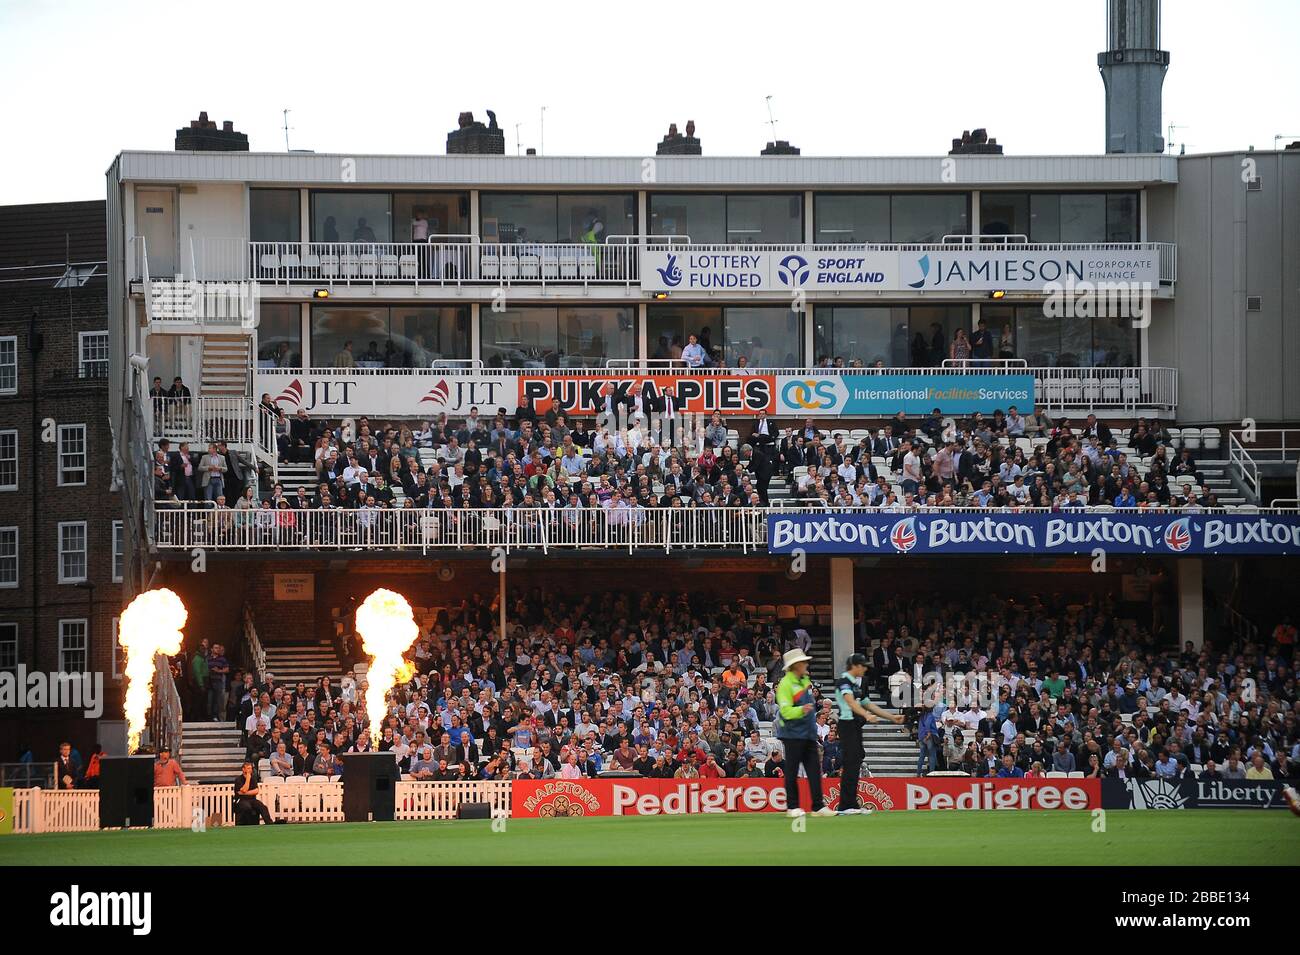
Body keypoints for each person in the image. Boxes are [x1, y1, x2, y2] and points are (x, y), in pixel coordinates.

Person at [834, 653, 903, 814]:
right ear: (855, 666)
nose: (865, 669)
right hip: (847, 725)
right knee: (850, 763)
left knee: (855, 762)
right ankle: (845, 806)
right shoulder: (843, 681)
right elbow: (850, 702)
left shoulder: (855, 684)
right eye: (863, 666)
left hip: (855, 725)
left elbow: (868, 704)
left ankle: (851, 804)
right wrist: (865, 715)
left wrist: (892, 717)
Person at [774, 648, 833, 817]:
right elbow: (785, 711)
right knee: (792, 770)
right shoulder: (786, 684)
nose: (806, 664)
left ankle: (818, 806)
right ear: (795, 665)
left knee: (814, 770)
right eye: (803, 662)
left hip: (808, 733)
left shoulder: (805, 680)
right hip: (792, 734)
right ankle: (792, 807)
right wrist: (802, 709)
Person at [233, 760, 276, 825]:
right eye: (248, 768)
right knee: (247, 807)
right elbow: (244, 789)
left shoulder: (253, 779)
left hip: (252, 799)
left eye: (250, 768)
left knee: (262, 807)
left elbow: (256, 791)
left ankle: (269, 823)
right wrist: (247, 779)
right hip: (242, 800)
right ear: (243, 769)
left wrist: (244, 792)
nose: (250, 770)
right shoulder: (238, 779)